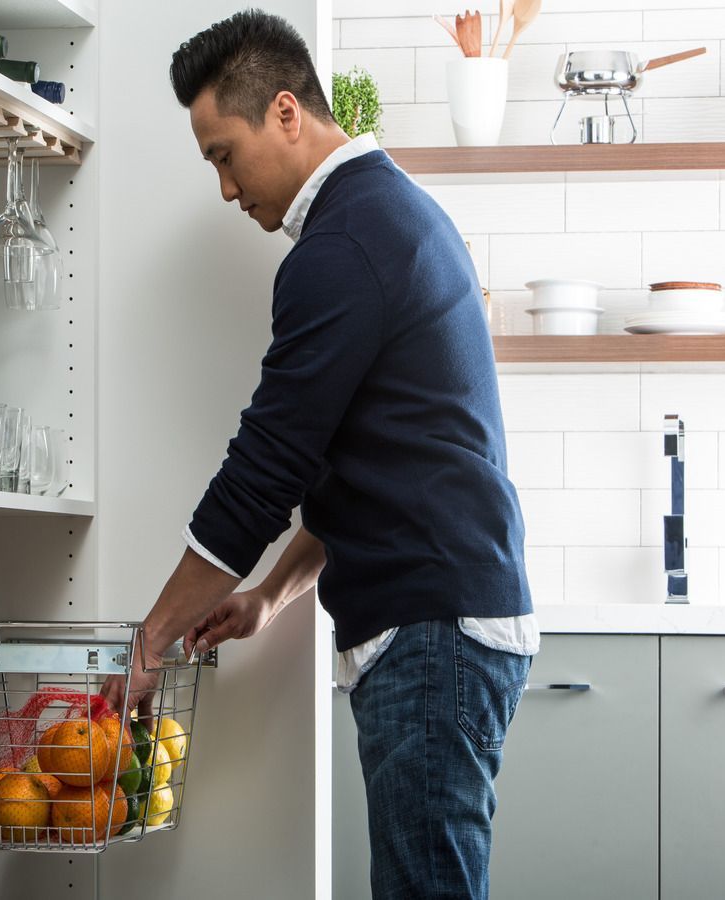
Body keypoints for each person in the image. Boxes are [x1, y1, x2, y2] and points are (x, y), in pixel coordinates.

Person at [100, 9, 539, 898]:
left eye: (224, 154)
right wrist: (271, 595)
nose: (224, 189)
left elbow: (262, 474)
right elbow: (380, 464)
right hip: (446, 615)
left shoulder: (344, 244)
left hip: (434, 628)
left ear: (288, 112)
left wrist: (146, 645)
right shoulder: (383, 218)